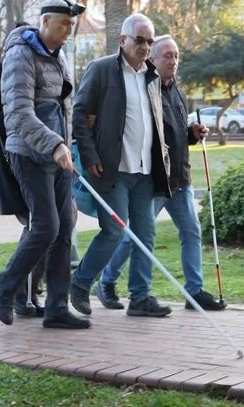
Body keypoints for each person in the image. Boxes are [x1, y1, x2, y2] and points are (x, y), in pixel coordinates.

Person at [98, 35, 226, 311]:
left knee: (191, 231)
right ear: (152, 59)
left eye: (176, 55)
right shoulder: (145, 89)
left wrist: (192, 134)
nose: (173, 60)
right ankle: (107, 280)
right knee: (138, 237)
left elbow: (175, 134)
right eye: (167, 55)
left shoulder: (176, 91)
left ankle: (194, 292)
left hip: (181, 178)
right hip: (155, 181)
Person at [0, 0, 89, 329]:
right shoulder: (20, 53)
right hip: (29, 153)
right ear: (45, 21)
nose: (68, 31)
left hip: (58, 155)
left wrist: (67, 147)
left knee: (64, 227)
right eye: (63, 24)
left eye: (70, 26)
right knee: (46, 226)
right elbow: (18, 114)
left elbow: (64, 109)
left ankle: (57, 308)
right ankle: (5, 287)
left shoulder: (59, 57)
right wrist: (54, 143)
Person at [70, 13, 172, 317]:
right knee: (114, 230)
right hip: (113, 170)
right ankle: (81, 283)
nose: (144, 47)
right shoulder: (102, 70)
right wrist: (89, 156)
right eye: (139, 40)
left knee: (146, 233)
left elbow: (154, 119)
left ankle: (140, 298)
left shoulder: (151, 76)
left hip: (144, 171)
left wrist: (163, 149)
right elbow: (79, 113)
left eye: (149, 41)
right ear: (123, 40)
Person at [0, 20, 44, 318]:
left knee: (48, 226)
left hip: (43, 158)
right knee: (37, 226)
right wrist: (19, 121)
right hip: (14, 160)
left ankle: (27, 291)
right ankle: (17, 291)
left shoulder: (40, 74)